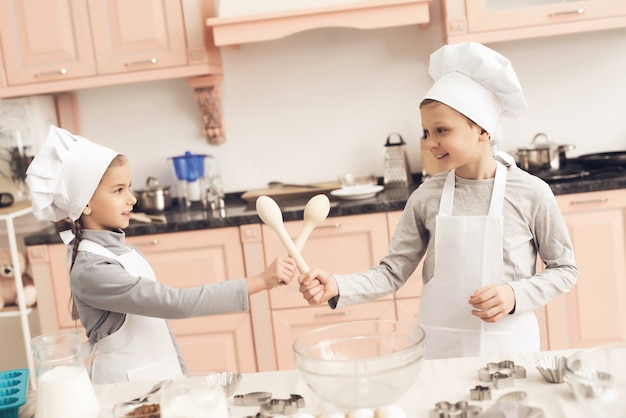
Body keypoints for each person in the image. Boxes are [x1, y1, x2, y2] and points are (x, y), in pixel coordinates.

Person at [298, 42, 578, 359]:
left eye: (441, 130)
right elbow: (392, 272)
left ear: (483, 130)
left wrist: (516, 294)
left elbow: (564, 269)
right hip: (443, 349)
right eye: (427, 132)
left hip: (511, 347)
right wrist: (337, 285)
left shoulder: (531, 193)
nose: (431, 143)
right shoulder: (427, 196)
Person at [26, 126, 297, 384]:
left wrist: (183, 376)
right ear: (85, 203)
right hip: (125, 389)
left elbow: (161, 327)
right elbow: (175, 303)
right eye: (118, 190)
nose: (132, 198)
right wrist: (260, 280)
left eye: (128, 187)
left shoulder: (124, 250)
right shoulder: (92, 269)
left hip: (159, 379)